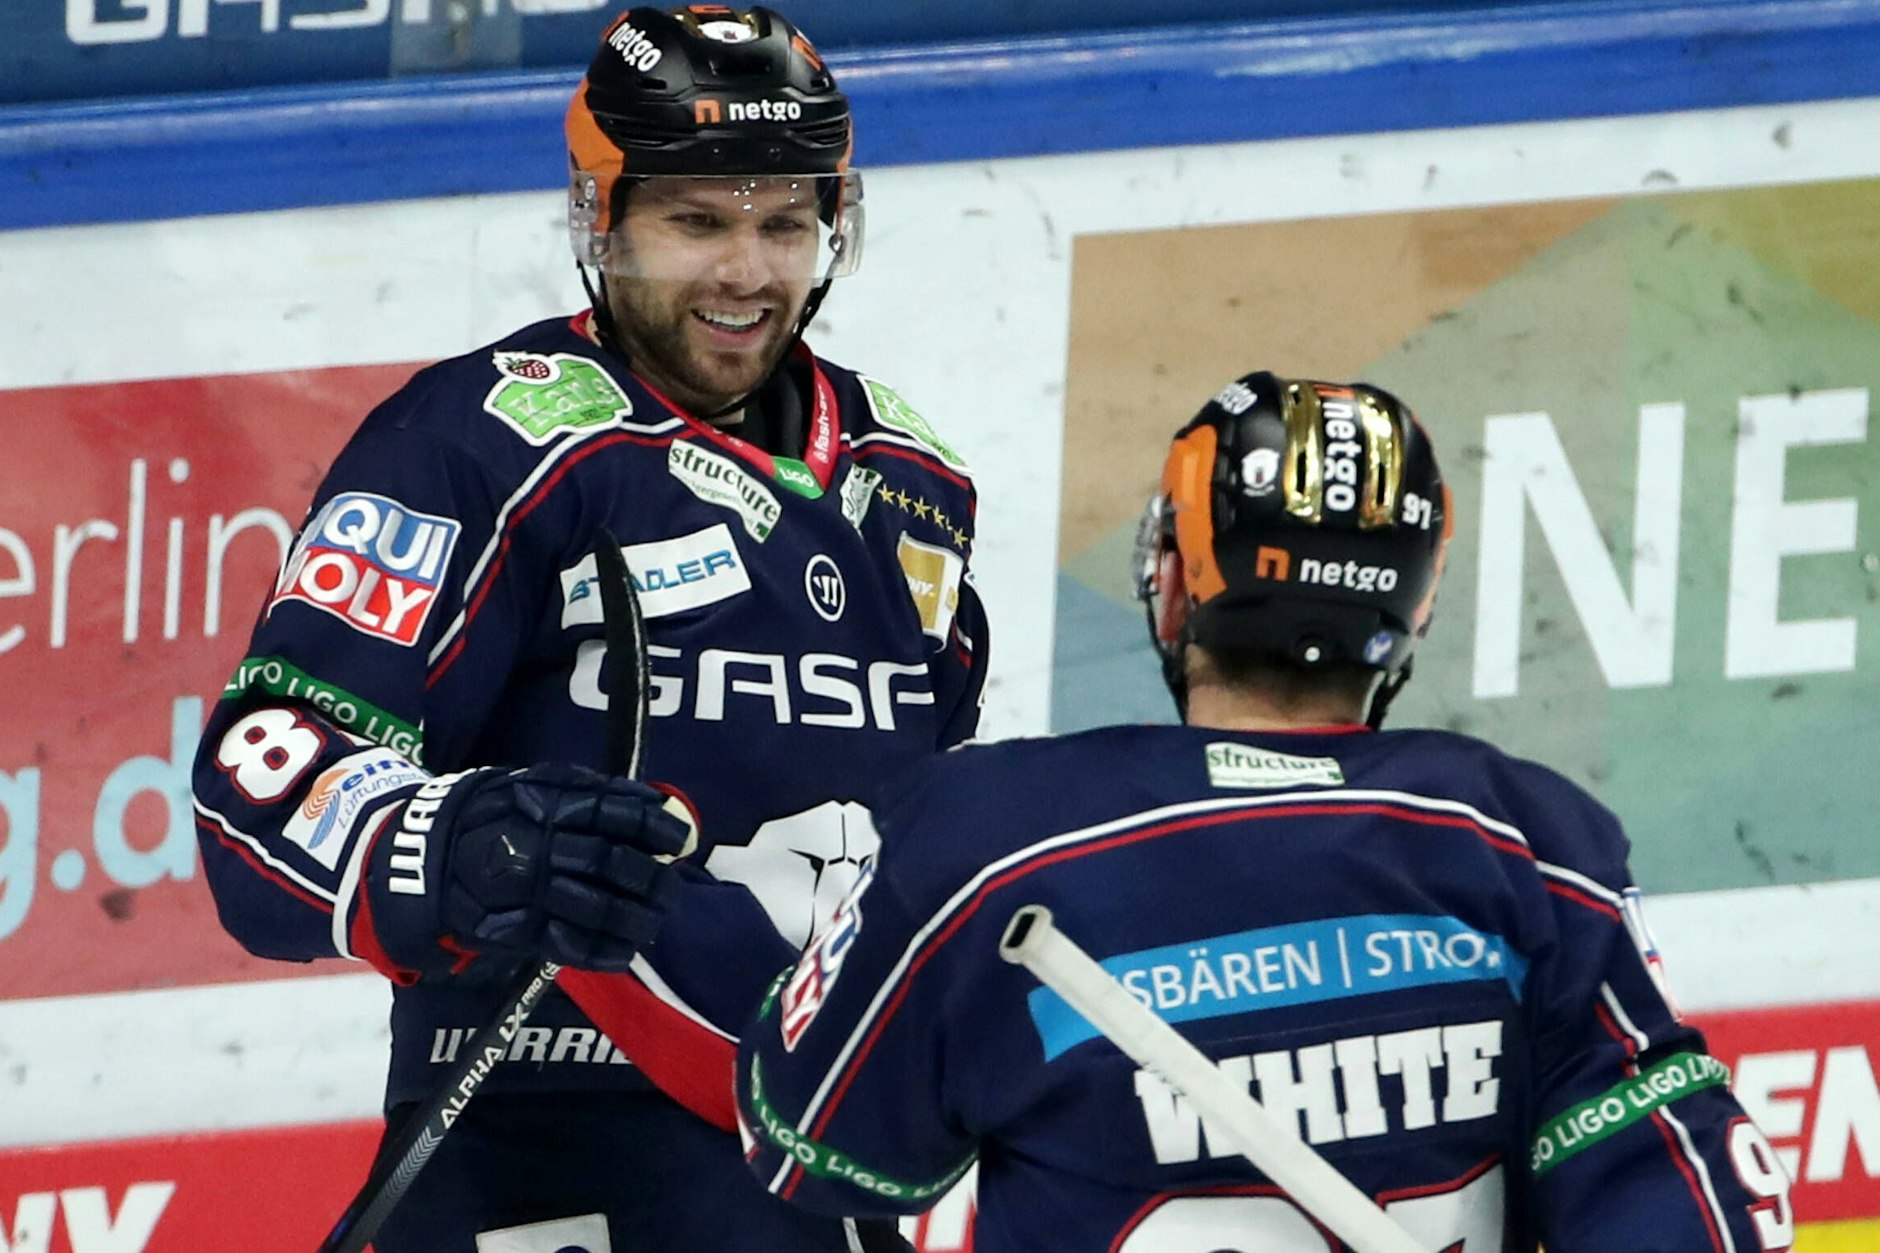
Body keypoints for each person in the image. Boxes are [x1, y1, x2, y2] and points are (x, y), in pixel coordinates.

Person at [190, 6, 988, 1251]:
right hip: (534, 1141)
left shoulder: (913, 480)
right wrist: (454, 840)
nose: (746, 272)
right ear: (596, 215)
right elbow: (257, 781)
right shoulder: (476, 443)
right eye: (696, 220)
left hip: (822, 1159)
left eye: (784, 223)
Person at [735, 372, 1794, 1252]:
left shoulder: (988, 838)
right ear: (1411, 603)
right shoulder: (1528, 840)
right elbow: (1679, 1193)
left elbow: (811, 1139)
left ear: (1172, 580)